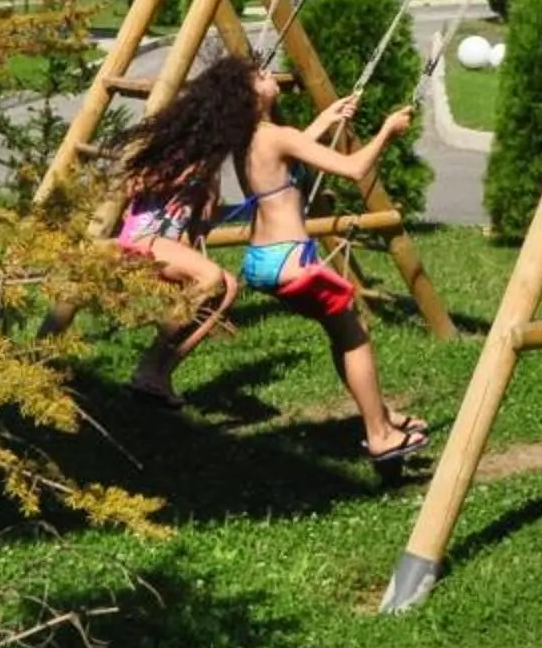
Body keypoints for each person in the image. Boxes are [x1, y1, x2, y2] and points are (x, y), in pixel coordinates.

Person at [114, 54, 431, 470]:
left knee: (348, 330)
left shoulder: (246, 139)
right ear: (249, 98)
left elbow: (283, 157)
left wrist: (324, 121)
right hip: (290, 262)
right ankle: (381, 436)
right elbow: (354, 169)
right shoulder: (278, 135)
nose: (269, 74)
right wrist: (389, 130)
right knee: (353, 337)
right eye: (260, 76)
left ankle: (381, 416)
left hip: (262, 263)